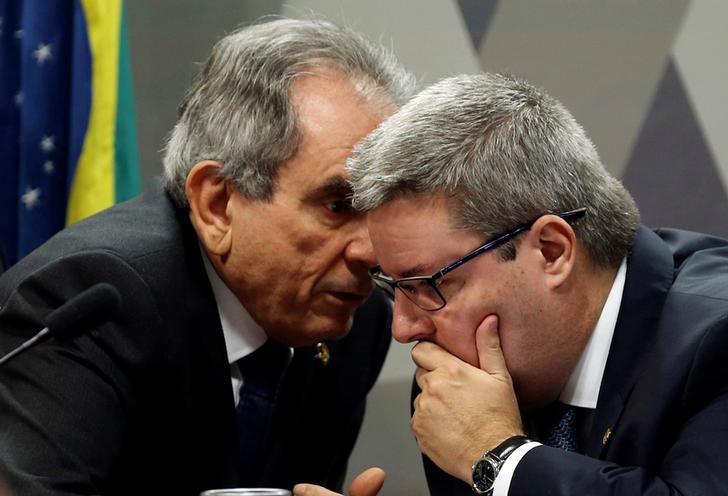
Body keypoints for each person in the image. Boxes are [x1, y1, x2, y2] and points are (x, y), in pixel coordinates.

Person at [0, 18, 414, 496]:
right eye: (337, 206)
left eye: (380, 208)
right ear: (217, 204)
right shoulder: (91, 300)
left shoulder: (358, 325)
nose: (371, 252)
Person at [294, 72, 728, 495]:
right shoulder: (468, 388)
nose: (404, 328)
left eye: (428, 284)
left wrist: (499, 456)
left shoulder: (717, 339)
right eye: (396, 286)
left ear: (551, 251)